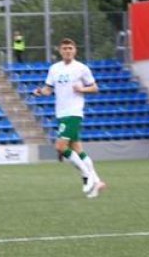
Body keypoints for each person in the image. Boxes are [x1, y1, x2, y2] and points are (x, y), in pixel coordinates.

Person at [33, 38, 104, 197]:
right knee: (77, 149)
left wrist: (82, 89)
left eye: (70, 48)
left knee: (60, 146)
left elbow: (95, 88)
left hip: (74, 112)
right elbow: (48, 90)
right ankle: (97, 181)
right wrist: (40, 92)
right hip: (61, 113)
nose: (67, 51)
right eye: (64, 48)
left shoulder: (81, 68)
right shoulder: (54, 68)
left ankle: (87, 175)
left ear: (75, 50)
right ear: (60, 51)